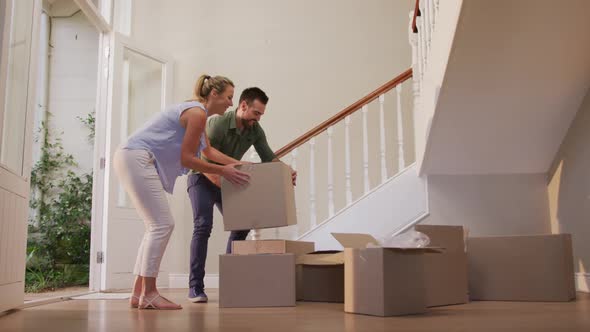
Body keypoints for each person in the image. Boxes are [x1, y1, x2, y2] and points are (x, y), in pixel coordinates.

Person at [114, 74, 250, 310]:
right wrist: (224, 172)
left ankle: (139, 293)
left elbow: (209, 151)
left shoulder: (199, 113)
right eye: (229, 97)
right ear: (214, 94)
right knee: (162, 225)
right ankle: (150, 293)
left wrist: (243, 166)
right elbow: (187, 159)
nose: (231, 103)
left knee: (155, 226)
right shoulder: (197, 114)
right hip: (136, 157)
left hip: (131, 156)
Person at [187, 87, 297, 303]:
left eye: (261, 114)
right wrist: (219, 177)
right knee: (203, 225)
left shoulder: (255, 130)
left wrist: (286, 171)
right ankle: (195, 288)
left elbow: (269, 157)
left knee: (242, 224)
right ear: (243, 105)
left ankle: (230, 278)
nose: (258, 118)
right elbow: (203, 155)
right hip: (201, 176)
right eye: (256, 113)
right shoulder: (218, 123)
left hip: (226, 178)